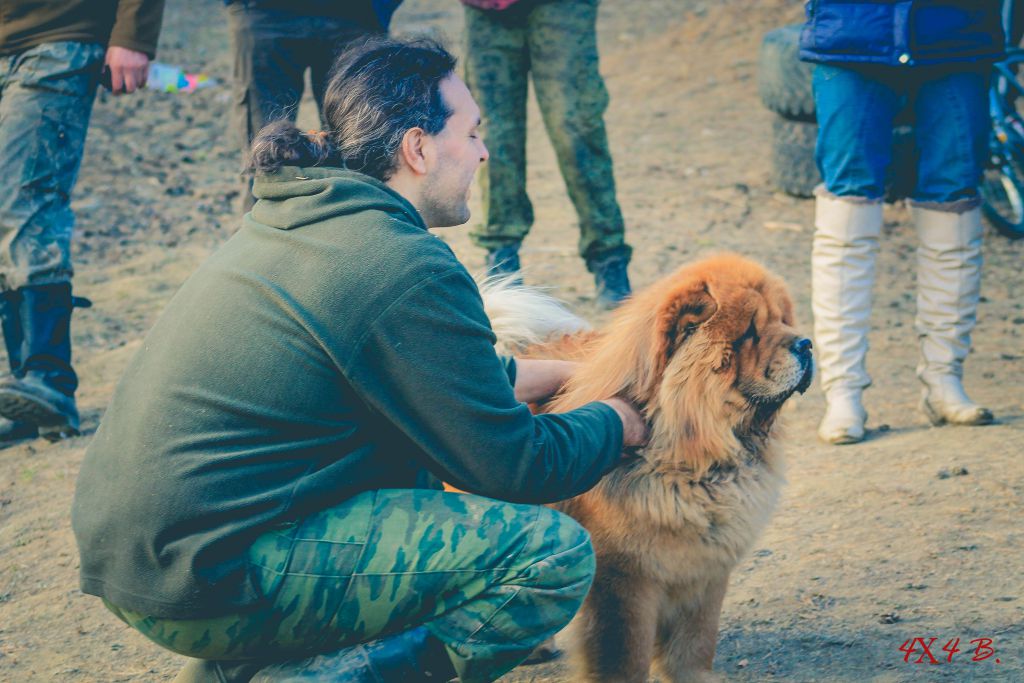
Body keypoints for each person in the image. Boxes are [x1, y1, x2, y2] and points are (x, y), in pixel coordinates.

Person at [72, 37, 648, 683]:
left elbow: (446, 384)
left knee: (409, 491)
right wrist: (618, 419)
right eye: (471, 132)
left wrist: (573, 375)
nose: (484, 151)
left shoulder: (310, 217)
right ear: (418, 148)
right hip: (209, 571)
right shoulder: (401, 264)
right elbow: (515, 465)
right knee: (548, 555)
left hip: (145, 555)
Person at [799, 0, 1004, 445]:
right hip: (852, 33)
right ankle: (843, 391)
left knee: (954, 198)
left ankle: (944, 378)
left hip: (958, 32)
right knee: (847, 203)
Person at [0, 0, 165, 445]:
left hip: (59, 33)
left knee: (24, 195)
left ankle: (47, 375)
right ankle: (27, 387)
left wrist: (133, 34)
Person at [461, 0, 633, 308]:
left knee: (575, 127)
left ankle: (609, 257)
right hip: (485, 10)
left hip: (562, 7)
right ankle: (502, 255)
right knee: (492, 134)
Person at [225, 0, 405, 213]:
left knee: (364, 155)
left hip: (357, 13)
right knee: (263, 157)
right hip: (263, 11)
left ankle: (367, 230)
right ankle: (262, 232)